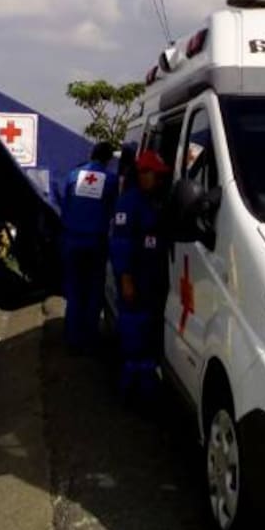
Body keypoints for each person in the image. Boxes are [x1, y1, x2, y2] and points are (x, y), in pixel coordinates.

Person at [109, 149, 171, 399]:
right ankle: (132, 389)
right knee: (134, 331)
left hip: (152, 277)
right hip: (134, 279)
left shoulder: (154, 200)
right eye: (153, 174)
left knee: (149, 329)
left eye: (159, 176)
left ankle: (147, 382)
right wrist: (126, 280)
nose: (157, 180)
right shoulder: (128, 202)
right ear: (142, 174)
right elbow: (121, 244)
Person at [59, 142, 118, 352]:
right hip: (96, 243)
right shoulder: (111, 181)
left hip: (73, 241)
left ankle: (72, 339)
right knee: (94, 291)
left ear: (92, 154)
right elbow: (114, 211)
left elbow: (63, 204)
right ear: (109, 159)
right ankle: (89, 339)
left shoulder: (73, 175)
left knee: (75, 289)